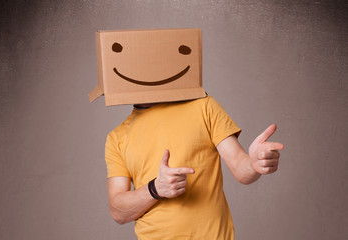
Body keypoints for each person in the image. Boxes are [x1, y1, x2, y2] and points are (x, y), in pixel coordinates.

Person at [105, 95, 284, 240]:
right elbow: (118, 212)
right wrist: (156, 188)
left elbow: (240, 167)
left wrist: (254, 164)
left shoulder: (204, 106)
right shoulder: (117, 137)